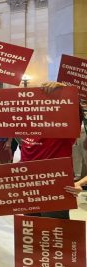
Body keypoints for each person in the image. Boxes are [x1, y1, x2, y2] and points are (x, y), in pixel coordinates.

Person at [20, 82, 82, 220]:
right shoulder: (26, 129)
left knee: (55, 235)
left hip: (54, 189)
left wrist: (64, 90)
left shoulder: (62, 130)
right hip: (29, 189)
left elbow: (76, 113)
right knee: (32, 232)